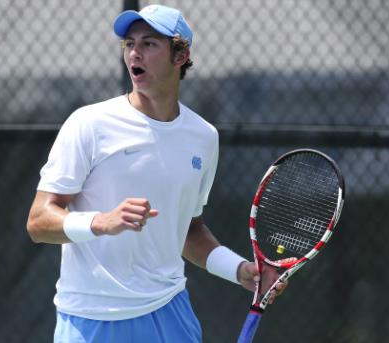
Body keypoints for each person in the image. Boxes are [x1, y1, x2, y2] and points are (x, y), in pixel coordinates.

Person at [26, 4, 288, 342]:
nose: (135, 52)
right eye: (129, 43)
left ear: (180, 56)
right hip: (92, 320)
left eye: (149, 44)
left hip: (169, 314)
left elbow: (188, 229)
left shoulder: (203, 137)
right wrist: (100, 222)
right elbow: (38, 222)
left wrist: (239, 271)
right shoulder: (89, 124)